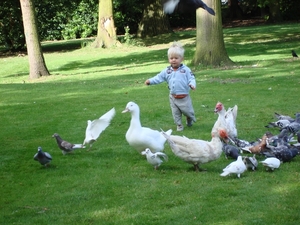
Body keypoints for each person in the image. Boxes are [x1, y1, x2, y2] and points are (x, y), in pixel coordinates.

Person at [145, 41, 196, 131]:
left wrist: (192, 84)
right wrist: (150, 81)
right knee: (176, 113)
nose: (173, 60)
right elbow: (159, 78)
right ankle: (179, 125)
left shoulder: (186, 70)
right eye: (171, 58)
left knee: (188, 111)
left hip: (184, 97)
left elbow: (191, 78)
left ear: (182, 59)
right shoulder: (167, 71)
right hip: (173, 97)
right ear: (169, 59)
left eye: (176, 58)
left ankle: (189, 118)